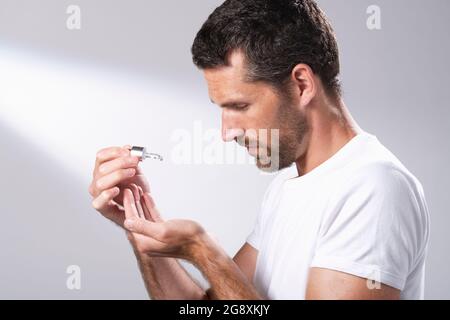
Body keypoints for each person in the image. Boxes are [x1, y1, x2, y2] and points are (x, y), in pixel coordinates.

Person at [88, 0, 430, 299]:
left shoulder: (373, 188)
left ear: (301, 84)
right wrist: (141, 230)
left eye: (239, 106)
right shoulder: (286, 186)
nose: (226, 132)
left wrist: (203, 250)